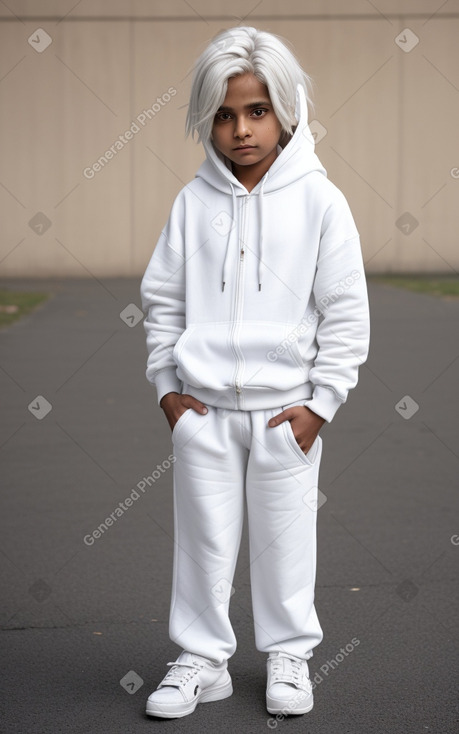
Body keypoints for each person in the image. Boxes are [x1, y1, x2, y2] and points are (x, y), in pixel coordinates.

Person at [140, 25, 370, 720]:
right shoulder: (191, 204)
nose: (240, 129)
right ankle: (201, 660)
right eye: (223, 113)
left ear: (285, 112)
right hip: (202, 411)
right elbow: (162, 302)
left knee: (284, 539)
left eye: (256, 111)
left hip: (284, 414)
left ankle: (290, 656)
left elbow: (345, 313)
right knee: (203, 540)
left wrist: (320, 405)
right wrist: (168, 392)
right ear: (207, 118)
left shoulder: (320, 202)